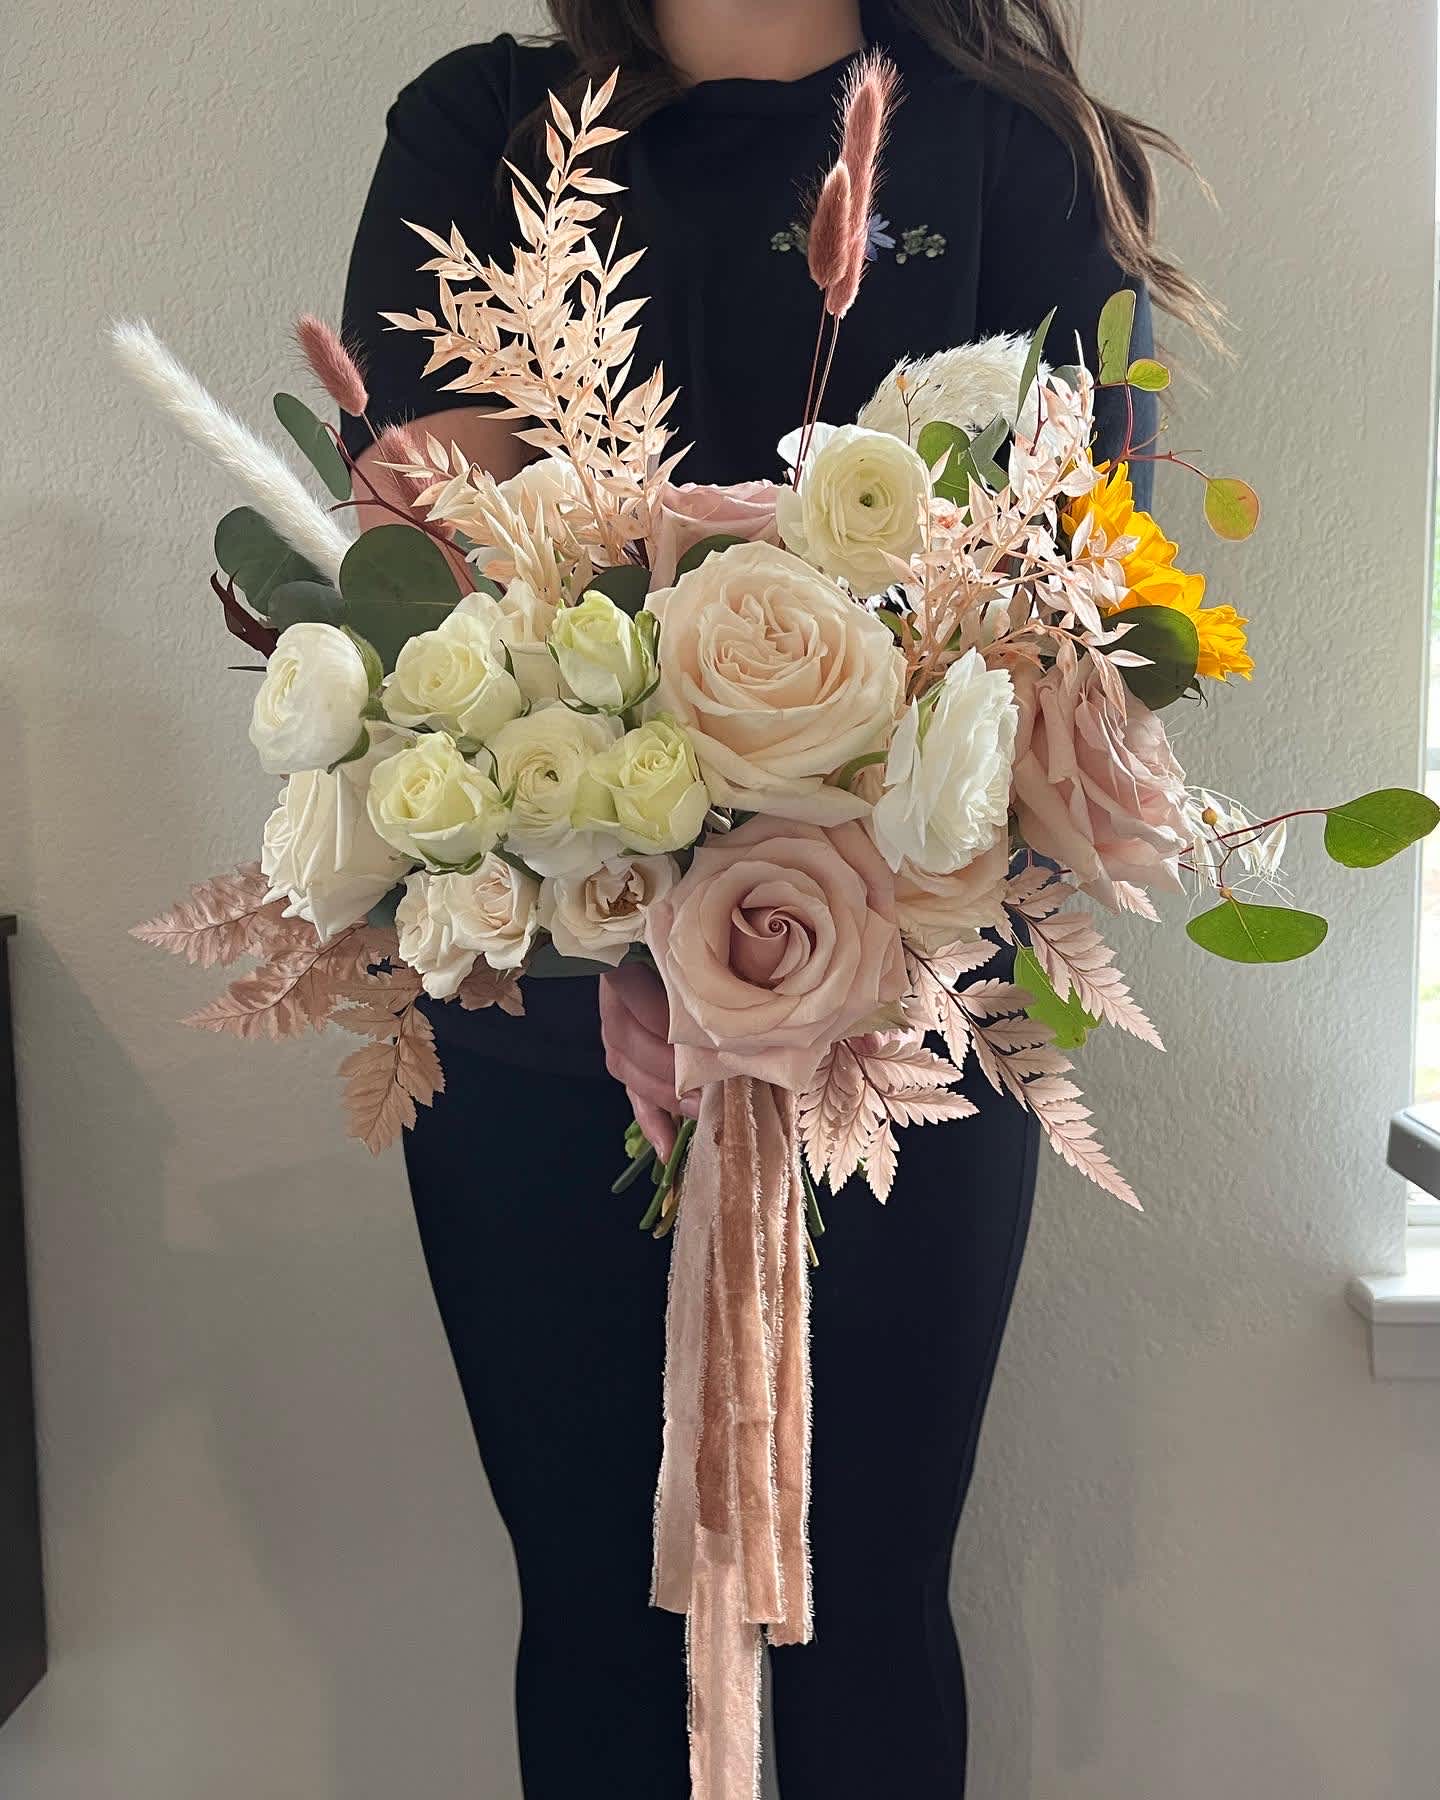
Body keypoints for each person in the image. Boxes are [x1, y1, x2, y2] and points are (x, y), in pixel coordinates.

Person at [340, 3, 1213, 1792]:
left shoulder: (1015, 151)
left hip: (904, 1026)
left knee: (863, 1611)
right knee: (599, 1618)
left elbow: (1071, 614)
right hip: (542, 1026)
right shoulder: (483, 130)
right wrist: (635, 905)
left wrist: (764, 919)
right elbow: (426, 588)